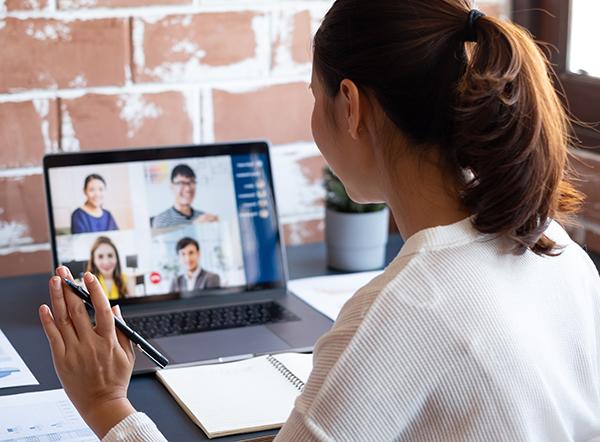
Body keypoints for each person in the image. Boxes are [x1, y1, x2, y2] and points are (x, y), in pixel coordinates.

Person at [39, 1, 600, 441]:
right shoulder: (557, 249)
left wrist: (106, 405)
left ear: (350, 105)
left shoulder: (406, 312)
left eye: (315, 94)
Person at [150, 164, 218, 229]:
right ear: (171, 186)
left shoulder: (203, 217)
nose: (188, 189)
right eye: (181, 183)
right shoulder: (162, 220)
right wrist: (195, 227)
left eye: (192, 182)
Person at [86, 236, 131, 301]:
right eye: (100, 257)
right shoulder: (88, 284)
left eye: (110, 255)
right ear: (94, 260)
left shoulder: (127, 280)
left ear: (116, 258)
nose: (106, 262)